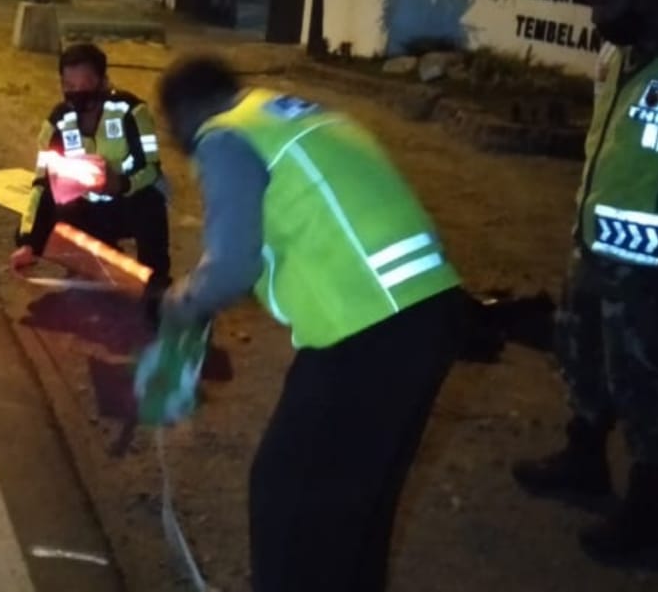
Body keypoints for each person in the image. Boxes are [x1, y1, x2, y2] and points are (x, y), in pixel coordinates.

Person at [155, 55, 465, 591]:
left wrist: (180, 305)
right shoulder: (286, 114)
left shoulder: (224, 138)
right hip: (428, 313)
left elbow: (232, 264)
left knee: (288, 499)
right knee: (359, 503)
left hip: (367, 332)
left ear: (183, 113)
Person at [512, 0, 658, 558]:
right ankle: (584, 458)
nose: (596, 17)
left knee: (648, 386)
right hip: (596, 250)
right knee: (584, 360)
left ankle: (647, 514)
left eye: (605, 1)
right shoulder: (619, 57)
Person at [11, 43, 172, 314]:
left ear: (103, 81)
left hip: (126, 202)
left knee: (151, 202)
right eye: (69, 85)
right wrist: (29, 243)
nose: (77, 92)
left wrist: (119, 184)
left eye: (85, 83)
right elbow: (42, 183)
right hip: (86, 208)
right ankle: (94, 262)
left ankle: (156, 287)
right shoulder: (58, 123)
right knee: (36, 223)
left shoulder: (131, 113)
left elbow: (151, 169)